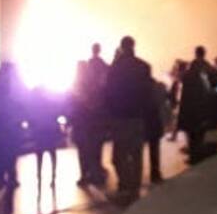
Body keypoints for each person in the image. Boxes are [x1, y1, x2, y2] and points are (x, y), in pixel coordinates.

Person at [105, 36, 152, 203]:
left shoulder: (115, 68)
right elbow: (148, 93)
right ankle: (135, 188)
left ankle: (125, 185)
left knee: (119, 156)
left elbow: (108, 94)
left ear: (122, 47)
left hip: (120, 117)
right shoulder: (143, 66)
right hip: (137, 117)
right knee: (136, 154)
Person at [0, 62, 27, 196]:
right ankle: (9, 183)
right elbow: (25, 109)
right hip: (12, 129)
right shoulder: (18, 91)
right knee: (10, 159)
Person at [72, 43, 109, 187]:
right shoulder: (97, 82)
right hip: (94, 123)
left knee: (83, 151)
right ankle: (96, 173)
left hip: (82, 124)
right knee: (95, 149)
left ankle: (85, 174)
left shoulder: (77, 86)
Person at [178, 46, 216, 162]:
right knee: (202, 134)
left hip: (190, 109)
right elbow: (214, 87)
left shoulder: (190, 71)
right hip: (205, 107)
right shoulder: (209, 69)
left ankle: (194, 156)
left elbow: (183, 81)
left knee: (192, 135)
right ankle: (202, 155)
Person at [27, 87, 67, 188]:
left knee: (39, 156)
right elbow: (57, 113)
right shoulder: (51, 100)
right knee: (52, 154)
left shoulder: (35, 103)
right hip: (49, 131)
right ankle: (53, 177)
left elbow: (31, 117)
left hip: (40, 132)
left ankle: (40, 177)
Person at [145, 78, 170, 183]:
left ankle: (133, 177)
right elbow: (164, 105)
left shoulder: (141, 88)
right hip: (155, 122)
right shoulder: (159, 87)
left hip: (143, 122)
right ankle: (155, 173)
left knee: (135, 151)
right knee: (154, 149)